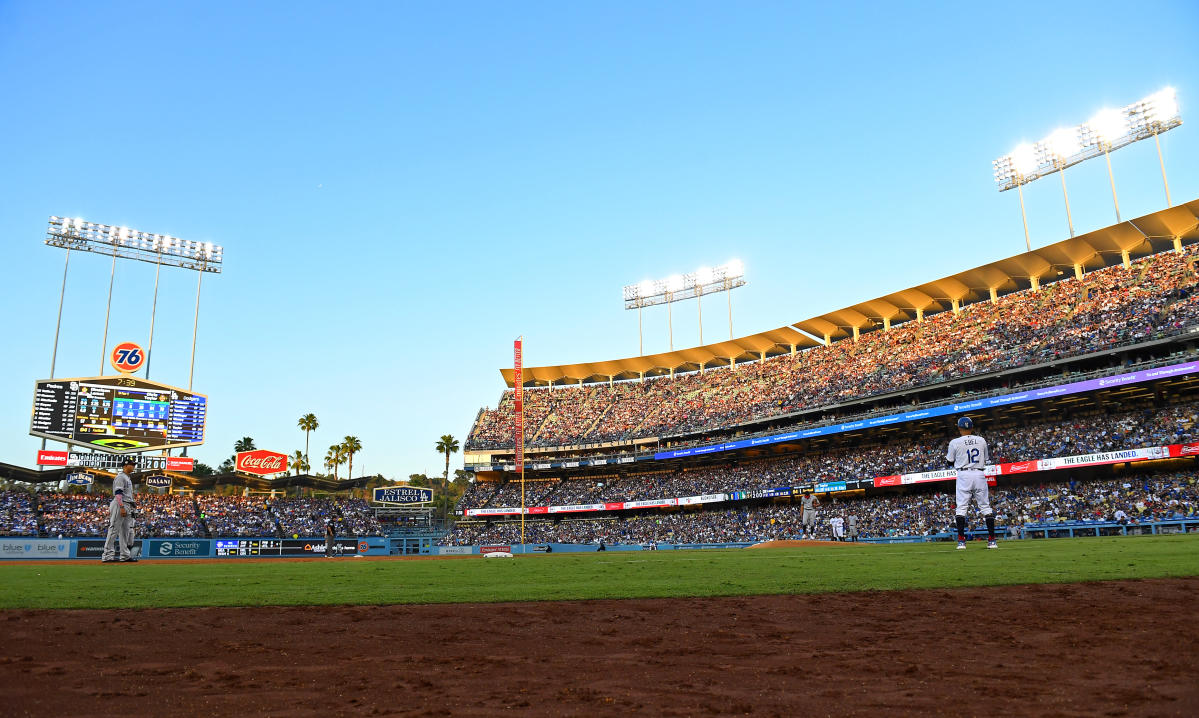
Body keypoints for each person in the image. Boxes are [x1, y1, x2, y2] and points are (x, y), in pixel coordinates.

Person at [946, 416, 996, 550]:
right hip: (979, 473)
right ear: (972, 427)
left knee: (961, 507)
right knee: (985, 507)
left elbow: (949, 461)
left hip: (964, 474)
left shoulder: (955, 442)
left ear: (959, 428)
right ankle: (992, 541)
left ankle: (961, 541)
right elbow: (985, 458)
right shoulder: (981, 440)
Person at [102, 458, 138, 563]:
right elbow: (118, 493)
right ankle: (107, 556)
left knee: (125, 532)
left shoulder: (127, 478)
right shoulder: (120, 477)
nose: (133, 466)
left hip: (127, 505)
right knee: (113, 530)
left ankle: (125, 556)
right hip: (120, 504)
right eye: (132, 464)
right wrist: (121, 506)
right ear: (125, 466)